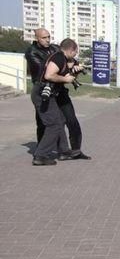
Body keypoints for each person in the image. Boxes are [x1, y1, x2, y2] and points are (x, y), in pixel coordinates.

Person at [24, 29, 91, 161]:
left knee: (66, 121)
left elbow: (67, 63)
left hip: (57, 91)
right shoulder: (33, 52)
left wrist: (74, 68)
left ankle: (68, 151)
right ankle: (42, 153)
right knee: (49, 124)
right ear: (37, 38)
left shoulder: (56, 49)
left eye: (49, 37)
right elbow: (47, 73)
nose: (47, 40)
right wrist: (67, 74)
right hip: (44, 91)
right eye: (44, 38)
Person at [30, 38, 81, 165]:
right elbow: (49, 75)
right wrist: (65, 78)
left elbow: (61, 71)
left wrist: (72, 70)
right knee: (54, 124)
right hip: (42, 93)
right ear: (71, 50)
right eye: (75, 52)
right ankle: (40, 156)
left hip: (50, 93)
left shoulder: (61, 58)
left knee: (60, 120)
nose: (75, 55)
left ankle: (64, 151)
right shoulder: (58, 57)